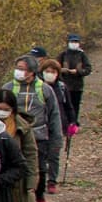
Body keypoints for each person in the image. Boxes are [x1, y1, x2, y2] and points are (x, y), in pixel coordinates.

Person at [9, 55, 63, 202]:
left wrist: (56, 140)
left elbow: (54, 115)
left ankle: (39, 195)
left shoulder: (44, 89)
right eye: (17, 68)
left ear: (32, 72)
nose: (18, 72)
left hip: (39, 136)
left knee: (39, 168)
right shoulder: (8, 88)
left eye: (22, 69)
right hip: (15, 135)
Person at [39, 57, 73, 189]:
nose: (50, 74)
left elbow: (68, 106)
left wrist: (73, 122)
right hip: (41, 126)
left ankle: (52, 181)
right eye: (47, 71)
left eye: (53, 71)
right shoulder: (37, 87)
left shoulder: (62, 87)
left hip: (58, 126)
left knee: (54, 154)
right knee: (41, 156)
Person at [58, 32, 93, 129]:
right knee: (64, 105)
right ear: (68, 42)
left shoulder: (82, 55)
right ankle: (65, 122)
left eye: (76, 41)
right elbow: (55, 67)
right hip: (64, 85)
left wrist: (78, 72)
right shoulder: (63, 55)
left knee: (75, 105)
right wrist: (62, 70)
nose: (74, 43)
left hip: (77, 86)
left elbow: (88, 69)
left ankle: (73, 122)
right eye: (72, 41)